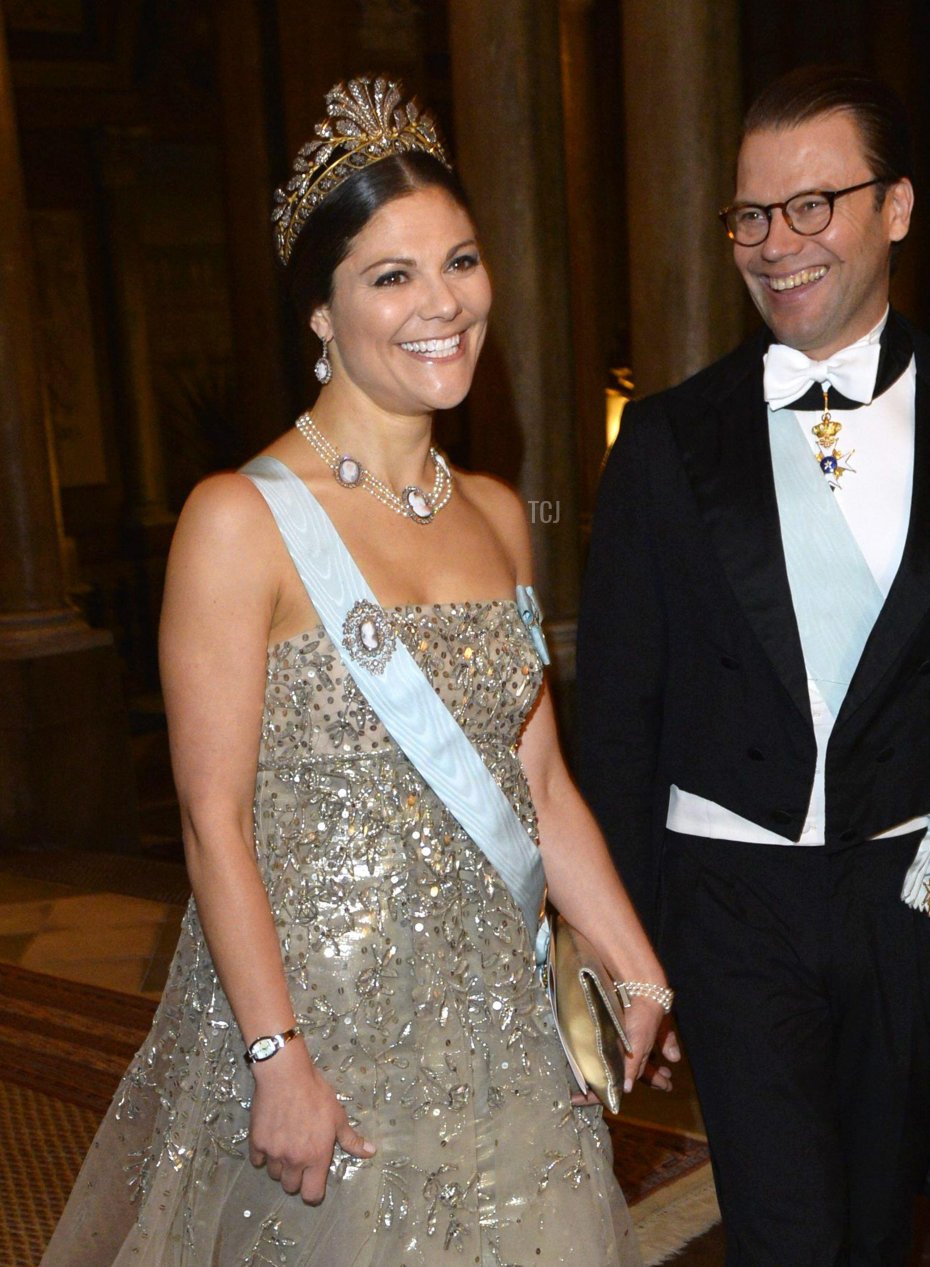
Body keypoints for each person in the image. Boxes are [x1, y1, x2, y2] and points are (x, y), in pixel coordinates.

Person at [43, 75, 674, 1267]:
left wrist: (637, 964)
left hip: (498, 1027)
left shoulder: (496, 512)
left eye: (462, 262)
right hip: (326, 1029)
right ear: (321, 315)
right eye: (392, 277)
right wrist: (276, 1057)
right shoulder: (237, 519)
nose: (444, 306)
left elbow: (538, 783)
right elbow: (211, 817)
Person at [576, 64, 930, 1265]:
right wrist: (616, 953)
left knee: (877, 1231)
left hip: (911, 899)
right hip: (726, 900)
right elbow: (617, 716)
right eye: (750, 215)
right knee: (790, 1236)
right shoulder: (668, 446)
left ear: (898, 208)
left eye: (812, 204)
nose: (777, 245)